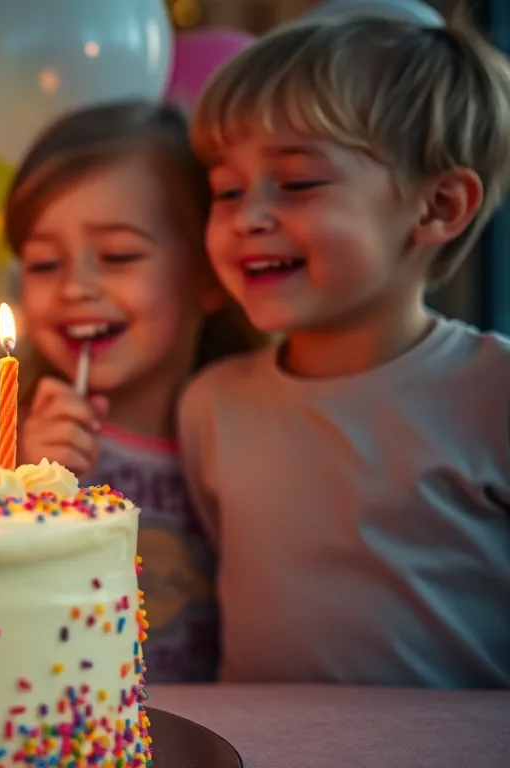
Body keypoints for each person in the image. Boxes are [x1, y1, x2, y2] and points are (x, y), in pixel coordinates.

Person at [181, 13, 510, 687]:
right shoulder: (210, 406)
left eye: (298, 183)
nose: (250, 216)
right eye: (226, 191)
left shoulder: (495, 394)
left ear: (438, 207)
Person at [7, 101, 261, 683]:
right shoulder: (8, 441)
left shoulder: (257, 425)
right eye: (44, 264)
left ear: (209, 275)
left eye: (119, 255)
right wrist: (25, 483)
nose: (76, 287)